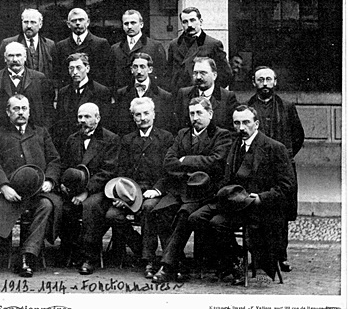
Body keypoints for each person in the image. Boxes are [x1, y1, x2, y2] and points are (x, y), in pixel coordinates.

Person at [191, 105, 295, 284]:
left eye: (246, 122)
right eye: (237, 123)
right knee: (196, 218)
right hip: (232, 201)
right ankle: (234, 256)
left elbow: (287, 186)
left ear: (257, 124)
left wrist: (261, 197)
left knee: (217, 224)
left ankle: (236, 264)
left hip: (257, 206)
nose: (241, 128)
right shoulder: (234, 144)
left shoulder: (274, 148)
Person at [150, 97, 232, 283]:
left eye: (199, 113)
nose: (195, 118)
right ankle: (180, 264)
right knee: (160, 211)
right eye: (192, 113)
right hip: (180, 189)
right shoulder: (182, 134)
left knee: (184, 215)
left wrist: (184, 160)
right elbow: (168, 162)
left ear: (210, 114)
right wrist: (192, 169)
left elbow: (216, 163)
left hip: (205, 192)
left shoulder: (221, 135)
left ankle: (167, 266)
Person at [0, 94, 63, 277]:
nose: (20, 112)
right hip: (8, 192)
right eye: (16, 109)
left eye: (24, 108)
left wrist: (50, 180)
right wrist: (3, 186)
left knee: (47, 205)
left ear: (29, 111)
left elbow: (54, 160)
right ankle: (0, 252)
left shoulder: (41, 133)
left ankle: (28, 255)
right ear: (8, 112)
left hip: (37, 192)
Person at [106, 97, 174, 278]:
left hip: (154, 192)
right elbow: (121, 170)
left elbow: (169, 170)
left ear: (154, 114)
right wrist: (122, 195)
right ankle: (139, 248)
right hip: (131, 193)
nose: (142, 118)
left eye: (146, 113)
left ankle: (149, 260)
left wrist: (157, 190)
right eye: (138, 115)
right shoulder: (127, 140)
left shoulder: (165, 138)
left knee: (148, 208)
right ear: (133, 117)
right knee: (112, 215)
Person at [246, 66, 305, 272]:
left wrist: (284, 158)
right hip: (256, 168)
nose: (265, 84)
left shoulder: (286, 107)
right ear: (254, 83)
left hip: (280, 168)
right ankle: (258, 257)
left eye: (268, 79)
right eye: (260, 80)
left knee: (280, 213)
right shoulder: (248, 107)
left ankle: (281, 255)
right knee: (256, 211)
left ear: (275, 82)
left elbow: (298, 135)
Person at [58, 103, 120, 275]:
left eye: (87, 116)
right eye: (80, 117)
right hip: (75, 189)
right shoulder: (72, 139)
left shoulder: (110, 139)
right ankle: (71, 250)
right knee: (62, 206)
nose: (82, 120)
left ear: (97, 118)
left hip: (100, 189)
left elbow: (108, 171)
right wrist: (63, 183)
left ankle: (89, 257)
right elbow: (64, 165)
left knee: (90, 207)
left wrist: (86, 192)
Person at [0, 41, 53, 133]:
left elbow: (48, 110)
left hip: (33, 134)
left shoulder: (39, 78)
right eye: (11, 56)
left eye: (18, 55)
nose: (15, 59)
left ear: (25, 57)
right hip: (3, 136)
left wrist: (42, 133)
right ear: (5, 58)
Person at [166, 7, 232, 93]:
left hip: (202, 96)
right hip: (180, 97)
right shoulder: (174, 44)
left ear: (200, 22)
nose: (189, 25)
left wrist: (209, 92)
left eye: (192, 20)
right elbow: (168, 74)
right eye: (185, 22)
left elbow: (226, 75)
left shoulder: (213, 44)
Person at [53, 52, 113, 145]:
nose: (75, 72)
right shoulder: (63, 92)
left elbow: (105, 122)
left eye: (78, 68)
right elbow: (59, 122)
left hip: (93, 143)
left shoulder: (100, 91)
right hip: (69, 143)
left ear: (87, 68)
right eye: (71, 68)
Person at [113, 52, 175, 135]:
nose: (139, 71)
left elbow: (166, 125)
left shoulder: (164, 96)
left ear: (150, 69)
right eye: (135, 67)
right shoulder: (121, 94)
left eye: (142, 67)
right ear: (131, 69)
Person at [54, 8, 114, 88]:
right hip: (70, 92)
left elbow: (107, 74)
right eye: (74, 21)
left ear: (88, 22)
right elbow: (59, 75)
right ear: (68, 24)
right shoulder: (61, 46)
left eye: (81, 20)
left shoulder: (101, 44)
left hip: (94, 92)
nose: (77, 23)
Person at [175, 57, 238, 132]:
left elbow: (231, 130)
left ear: (214, 75)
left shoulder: (227, 97)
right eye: (195, 73)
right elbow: (178, 127)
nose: (198, 77)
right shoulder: (184, 94)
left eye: (203, 73)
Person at [111, 10, 167, 90]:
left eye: (133, 23)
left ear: (141, 24)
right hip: (122, 94)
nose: (129, 27)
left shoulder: (155, 46)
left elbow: (162, 75)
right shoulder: (115, 49)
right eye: (126, 23)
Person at [0, 8, 57, 84]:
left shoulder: (49, 45)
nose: (29, 26)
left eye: (33, 22)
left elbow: (54, 74)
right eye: (26, 22)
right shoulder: (8, 43)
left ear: (40, 24)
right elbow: (1, 72)